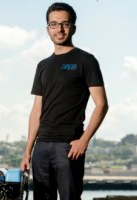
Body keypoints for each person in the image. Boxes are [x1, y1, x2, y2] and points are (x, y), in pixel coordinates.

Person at [20, 3, 109, 200]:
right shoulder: (42, 65)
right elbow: (37, 110)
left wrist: (83, 141)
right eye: (54, 24)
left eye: (65, 24)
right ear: (47, 29)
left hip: (69, 147)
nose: (59, 29)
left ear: (73, 28)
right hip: (41, 147)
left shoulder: (86, 60)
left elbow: (101, 104)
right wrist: (28, 151)